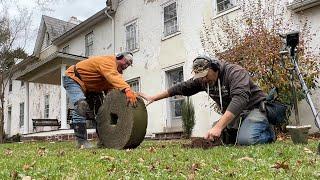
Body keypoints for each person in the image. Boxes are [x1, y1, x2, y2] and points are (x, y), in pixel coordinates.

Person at [140, 55, 275, 145]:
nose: (203, 79)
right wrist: (154, 97)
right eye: (199, 77)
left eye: (205, 75)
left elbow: (240, 99)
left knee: (247, 140)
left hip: (255, 108)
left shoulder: (234, 72)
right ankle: (241, 129)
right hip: (237, 116)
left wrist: (218, 126)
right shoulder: (203, 81)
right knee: (220, 141)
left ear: (214, 68)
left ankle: (269, 134)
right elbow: (180, 88)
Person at [63, 52, 137, 148]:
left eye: (128, 65)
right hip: (73, 78)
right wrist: (127, 89)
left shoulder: (115, 72)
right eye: (126, 62)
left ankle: (103, 141)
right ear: (119, 57)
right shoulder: (108, 62)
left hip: (92, 88)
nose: (126, 66)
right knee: (81, 105)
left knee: (102, 112)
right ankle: (81, 142)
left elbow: (111, 90)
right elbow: (113, 76)